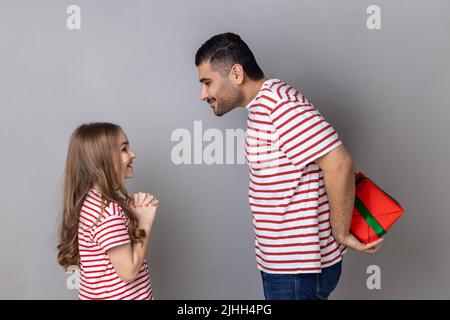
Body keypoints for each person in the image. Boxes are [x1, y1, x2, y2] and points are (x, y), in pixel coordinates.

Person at [195, 32, 383, 300]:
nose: (203, 95)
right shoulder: (262, 107)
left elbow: (339, 163)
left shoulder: (281, 106)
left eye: (207, 82)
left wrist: (341, 233)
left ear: (236, 73)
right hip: (284, 266)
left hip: (297, 271)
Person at [57, 122, 159, 300]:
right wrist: (145, 223)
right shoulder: (107, 213)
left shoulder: (93, 203)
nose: (133, 154)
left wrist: (132, 212)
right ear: (102, 160)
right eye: (124, 149)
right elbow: (129, 271)